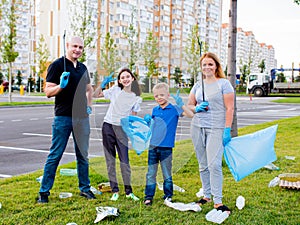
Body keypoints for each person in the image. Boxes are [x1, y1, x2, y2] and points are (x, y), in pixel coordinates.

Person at [37, 36, 95, 203]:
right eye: (75, 46)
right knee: (55, 154)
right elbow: (48, 92)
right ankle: (44, 192)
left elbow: (88, 89)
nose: (77, 50)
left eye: (81, 47)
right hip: (63, 117)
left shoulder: (83, 68)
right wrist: (60, 86)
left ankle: (85, 188)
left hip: (82, 118)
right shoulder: (57, 65)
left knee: (83, 155)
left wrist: (89, 105)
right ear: (67, 46)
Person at [187, 52, 234, 214]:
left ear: (216, 67)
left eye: (210, 64)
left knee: (214, 164)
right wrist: (196, 108)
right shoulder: (198, 85)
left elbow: (230, 108)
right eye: (204, 65)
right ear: (201, 68)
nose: (207, 67)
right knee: (202, 164)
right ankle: (206, 195)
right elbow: (189, 107)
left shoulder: (224, 84)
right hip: (197, 127)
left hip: (217, 128)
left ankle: (218, 201)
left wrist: (227, 129)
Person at [93, 68, 142, 201]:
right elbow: (95, 95)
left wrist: (134, 136)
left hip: (122, 129)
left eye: (127, 76)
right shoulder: (115, 90)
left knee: (124, 161)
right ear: (119, 80)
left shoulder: (136, 97)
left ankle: (128, 191)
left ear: (132, 78)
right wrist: (103, 84)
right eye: (122, 78)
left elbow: (133, 118)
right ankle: (115, 190)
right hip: (108, 127)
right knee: (110, 161)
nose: (125, 79)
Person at [143, 83, 194, 206]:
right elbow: (154, 127)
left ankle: (168, 195)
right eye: (156, 96)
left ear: (168, 95)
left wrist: (181, 104)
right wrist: (148, 122)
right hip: (153, 146)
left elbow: (191, 115)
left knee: (166, 173)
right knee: (151, 173)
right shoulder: (155, 110)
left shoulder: (175, 109)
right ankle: (148, 196)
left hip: (166, 147)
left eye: (162, 95)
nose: (159, 98)